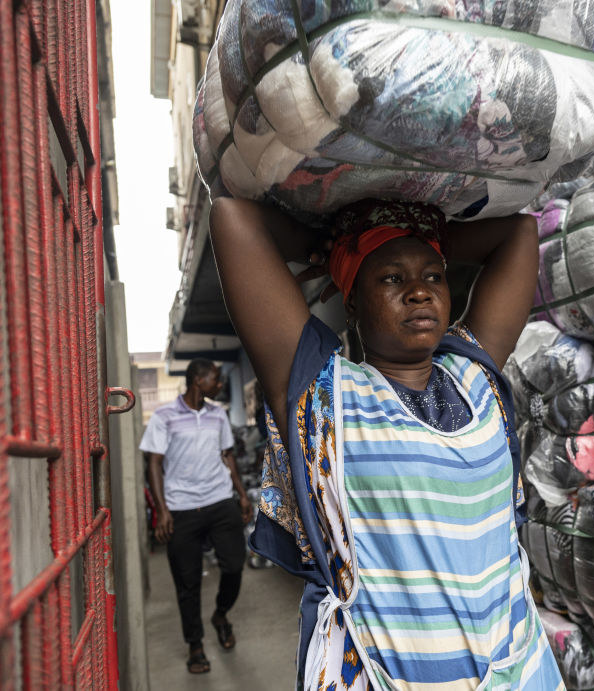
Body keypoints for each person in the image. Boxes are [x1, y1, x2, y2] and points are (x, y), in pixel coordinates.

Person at [209, 197, 565, 690]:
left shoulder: (473, 375)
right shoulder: (326, 394)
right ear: (351, 299)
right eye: (392, 279)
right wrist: (335, 245)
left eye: (433, 276)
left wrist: (415, 231)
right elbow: (234, 217)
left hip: (516, 671)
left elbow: (520, 234)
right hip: (382, 677)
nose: (419, 292)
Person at [140, 358, 255, 674]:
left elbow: (228, 455)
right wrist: (162, 510)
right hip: (181, 508)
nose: (219, 384)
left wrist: (242, 495)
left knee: (233, 566)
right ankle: (195, 646)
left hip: (220, 502)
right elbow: (153, 463)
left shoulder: (218, 415)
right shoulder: (163, 416)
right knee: (187, 583)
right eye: (215, 379)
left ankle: (220, 614)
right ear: (197, 381)